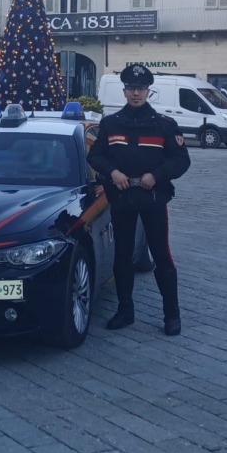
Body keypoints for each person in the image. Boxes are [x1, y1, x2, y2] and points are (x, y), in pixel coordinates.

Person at [89, 63, 190, 336]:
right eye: (131, 88)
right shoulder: (110, 124)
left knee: (162, 256)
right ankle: (125, 311)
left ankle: (172, 315)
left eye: (141, 89)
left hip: (153, 200)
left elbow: (181, 160)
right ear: (124, 91)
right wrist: (112, 172)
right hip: (122, 199)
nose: (136, 93)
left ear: (148, 91)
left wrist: (156, 176)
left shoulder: (164, 126)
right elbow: (95, 156)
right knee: (122, 256)